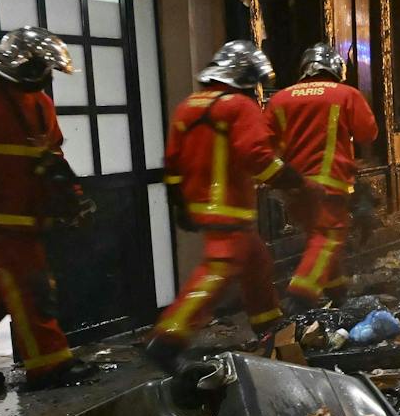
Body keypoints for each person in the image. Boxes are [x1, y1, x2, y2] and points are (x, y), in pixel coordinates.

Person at [147, 41, 297, 370]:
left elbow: (171, 164)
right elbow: (257, 157)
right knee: (215, 272)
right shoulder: (239, 107)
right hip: (231, 207)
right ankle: (168, 337)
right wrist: (291, 179)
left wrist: (181, 204)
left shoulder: (188, 106)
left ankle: (269, 325)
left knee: (256, 261)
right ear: (245, 77)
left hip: (202, 205)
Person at [0, 28, 99, 393]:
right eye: (43, 67)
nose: (47, 77)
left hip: (31, 215)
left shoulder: (40, 103)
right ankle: (49, 367)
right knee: (33, 286)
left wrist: (73, 195)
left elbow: (52, 156)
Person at [270, 44, 381, 306]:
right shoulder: (346, 94)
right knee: (328, 237)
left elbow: (266, 144)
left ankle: (337, 294)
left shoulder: (280, 99)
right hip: (329, 184)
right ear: (336, 70)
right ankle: (300, 297)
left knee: (318, 239)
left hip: (293, 187)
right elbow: (368, 133)